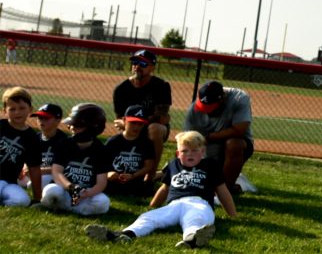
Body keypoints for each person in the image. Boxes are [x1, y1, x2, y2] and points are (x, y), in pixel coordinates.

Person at [86, 130, 237, 248]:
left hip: (199, 203)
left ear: (203, 152)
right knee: (149, 218)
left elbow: (222, 191)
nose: (189, 154)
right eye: (185, 151)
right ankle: (126, 234)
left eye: (194, 150)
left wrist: (232, 215)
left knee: (195, 219)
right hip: (174, 204)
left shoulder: (210, 165)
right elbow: (165, 188)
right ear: (178, 154)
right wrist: (152, 206)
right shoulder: (173, 165)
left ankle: (192, 238)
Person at [39, 103, 111, 215]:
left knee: (103, 202)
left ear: (92, 128)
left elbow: (101, 183)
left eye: (76, 125)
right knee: (51, 191)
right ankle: (76, 210)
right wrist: (71, 187)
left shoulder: (101, 150)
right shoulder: (64, 144)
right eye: (71, 125)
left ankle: (65, 208)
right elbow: (57, 172)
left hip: (86, 194)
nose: (71, 128)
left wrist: (86, 193)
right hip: (64, 190)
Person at [183, 81, 254, 194]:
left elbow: (240, 129)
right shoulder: (194, 109)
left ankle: (224, 191)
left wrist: (209, 137)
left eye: (210, 107)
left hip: (233, 146)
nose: (207, 110)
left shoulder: (238, 98)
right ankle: (228, 185)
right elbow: (186, 141)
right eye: (203, 106)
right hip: (208, 150)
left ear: (222, 99)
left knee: (234, 144)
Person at [113, 48, 172, 176]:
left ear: (152, 68)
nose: (137, 67)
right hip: (131, 126)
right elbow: (119, 119)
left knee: (155, 129)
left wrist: (134, 123)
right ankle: (122, 170)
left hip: (154, 129)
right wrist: (130, 124)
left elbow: (162, 118)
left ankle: (150, 176)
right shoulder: (121, 89)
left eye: (143, 64)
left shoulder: (161, 86)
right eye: (135, 62)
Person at [1, 86, 42, 206]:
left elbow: (34, 169)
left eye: (22, 108)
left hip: (9, 183)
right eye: (12, 109)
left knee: (22, 201)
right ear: (4, 110)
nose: (17, 112)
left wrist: (37, 198)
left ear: (30, 109)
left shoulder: (32, 137)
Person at [104, 104, 157, 197]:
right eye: (133, 123)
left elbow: (149, 166)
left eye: (140, 124)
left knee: (145, 191)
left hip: (135, 181)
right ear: (124, 120)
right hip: (113, 180)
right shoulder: (113, 141)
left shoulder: (146, 143)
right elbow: (102, 162)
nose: (136, 127)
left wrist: (133, 176)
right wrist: (109, 173)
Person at [20, 103, 67, 190]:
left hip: (51, 175)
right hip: (34, 172)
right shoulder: (34, 138)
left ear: (58, 120)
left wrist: (37, 171)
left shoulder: (65, 141)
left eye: (46, 118)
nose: (42, 121)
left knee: (32, 184)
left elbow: (64, 167)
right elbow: (26, 158)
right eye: (40, 118)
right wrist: (25, 167)